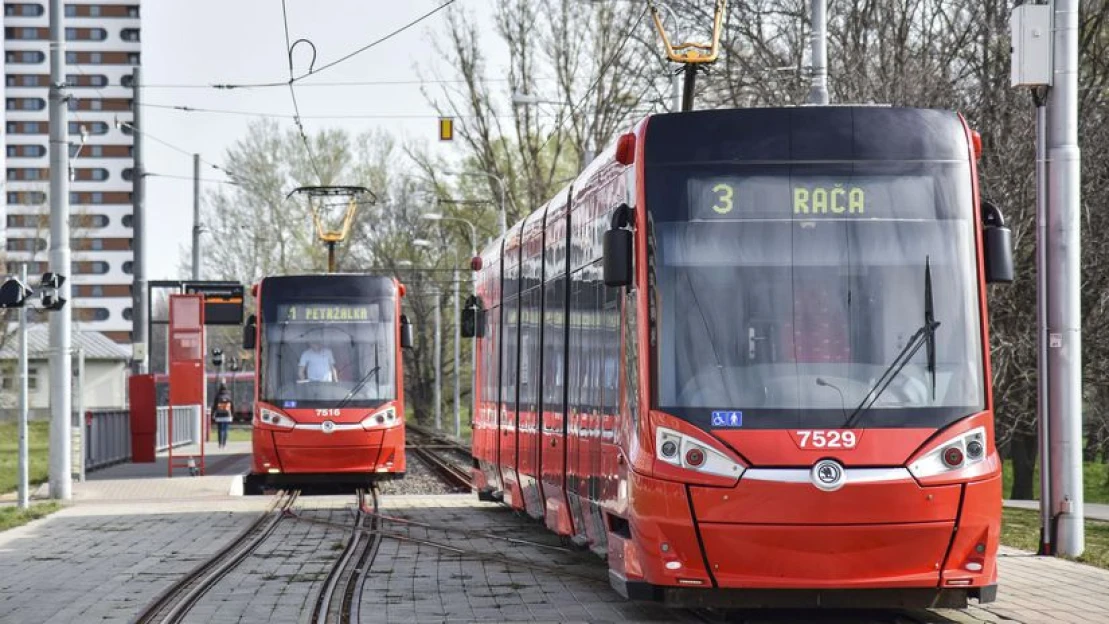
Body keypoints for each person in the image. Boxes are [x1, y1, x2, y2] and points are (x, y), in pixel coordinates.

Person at [211, 383, 234, 449]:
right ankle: (224, 445)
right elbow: (232, 406)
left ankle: (220, 444)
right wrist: (232, 414)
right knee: (225, 429)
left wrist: (213, 414)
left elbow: (215, 406)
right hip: (227, 415)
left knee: (220, 430)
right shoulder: (229, 395)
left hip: (219, 415)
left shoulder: (218, 396)